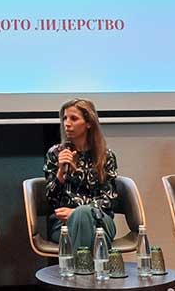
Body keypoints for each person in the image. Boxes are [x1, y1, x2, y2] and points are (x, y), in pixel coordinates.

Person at [43, 98, 117, 250]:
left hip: (100, 219)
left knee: (83, 215)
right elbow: (51, 200)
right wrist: (60, 173)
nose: (67, 123)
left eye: (74, 118)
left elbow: (108, 199)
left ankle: (79, 266)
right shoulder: (55, 153)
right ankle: (99, 264)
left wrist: (78, 212)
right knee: (93, 234)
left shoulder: (105, 156)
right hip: (63, 224)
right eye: (65, 118)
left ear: (89, 123)